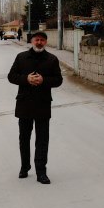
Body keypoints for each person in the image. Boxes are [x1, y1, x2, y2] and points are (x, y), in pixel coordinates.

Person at [7, 31, 62, 184]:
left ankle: (41, 172)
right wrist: (26, 79)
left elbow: (58, 80)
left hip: (43, 104)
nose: (39, 42)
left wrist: (44, 80)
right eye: (37, 40)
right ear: (31, 41)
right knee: (24, 138)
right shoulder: (21, 57)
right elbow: (11, 76)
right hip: (24, 103)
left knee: (42, 140)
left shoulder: (52, 59)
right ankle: (24, 167)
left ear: (45, 42)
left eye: (42, 40)